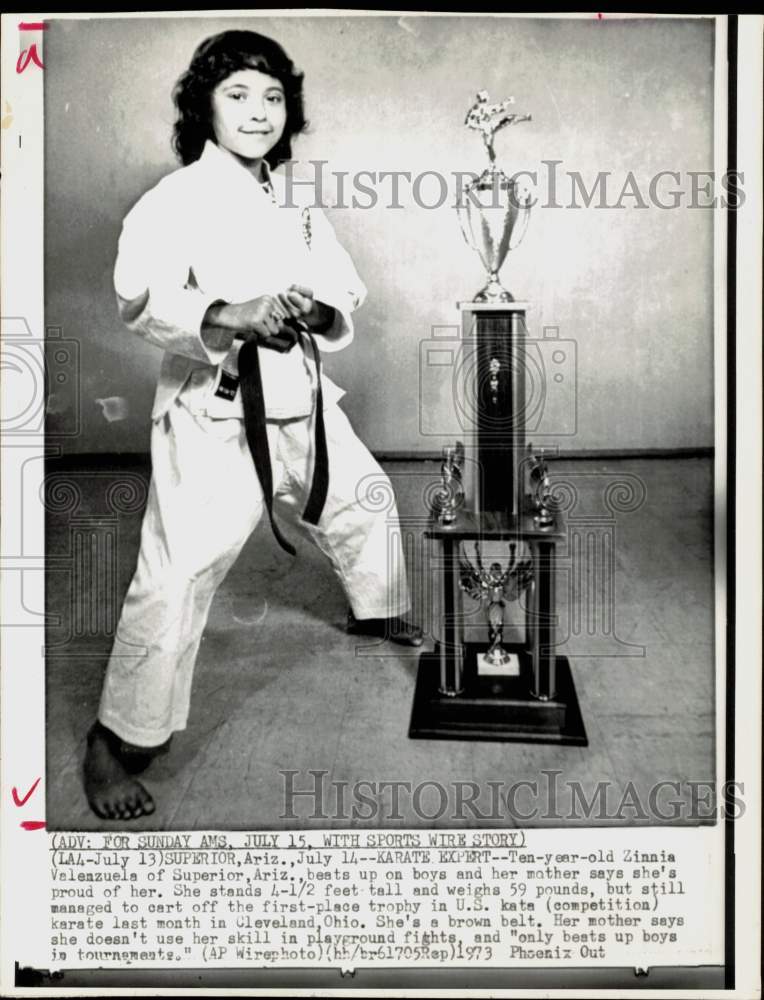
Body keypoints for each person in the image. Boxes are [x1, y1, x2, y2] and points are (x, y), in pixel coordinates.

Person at [84, 30, 422, 821]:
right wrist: (231, 314)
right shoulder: (172, 201)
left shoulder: (292, 202)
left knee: (364, 496)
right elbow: (139, 297)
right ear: (203, 104)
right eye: (237, 93)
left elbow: (345, 288)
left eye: (273, 96)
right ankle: (117, 737)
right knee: (180, 570)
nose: (258, 111)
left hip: (299, 395)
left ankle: (377, 610)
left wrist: (317, 306)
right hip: (217, 408)